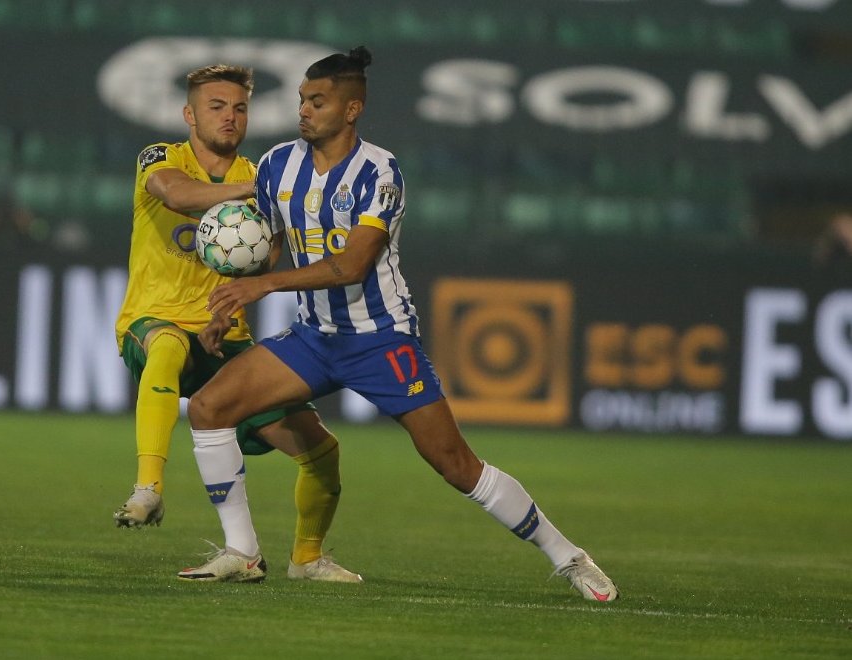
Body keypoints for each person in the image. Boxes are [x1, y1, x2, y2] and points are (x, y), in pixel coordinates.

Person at [185, 47, 619, 601]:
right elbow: (268, 248)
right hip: (313, 338)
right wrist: (233, 304)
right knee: (208, 408)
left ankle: (570, 557)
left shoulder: (379, 171)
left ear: (351, 110)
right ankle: (243, 552)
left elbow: (353, 264)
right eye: (301, 100)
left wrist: (263, 286)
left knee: (455, 463)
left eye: (318, 101)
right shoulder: (275, 166)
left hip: (380, 339)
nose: (304, 110)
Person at [113, 64, 361, 584]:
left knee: (321, 451)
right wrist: (258, 191)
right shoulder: (162, 159)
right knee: (166, 347)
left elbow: (267, 262)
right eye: (216, 107)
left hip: (226, 338)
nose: (230, 117)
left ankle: (307, 558)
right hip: (153, 319)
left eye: (240, 108)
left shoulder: (256, 174)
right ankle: (148, 489)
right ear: (190, 114)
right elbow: (178, 196)